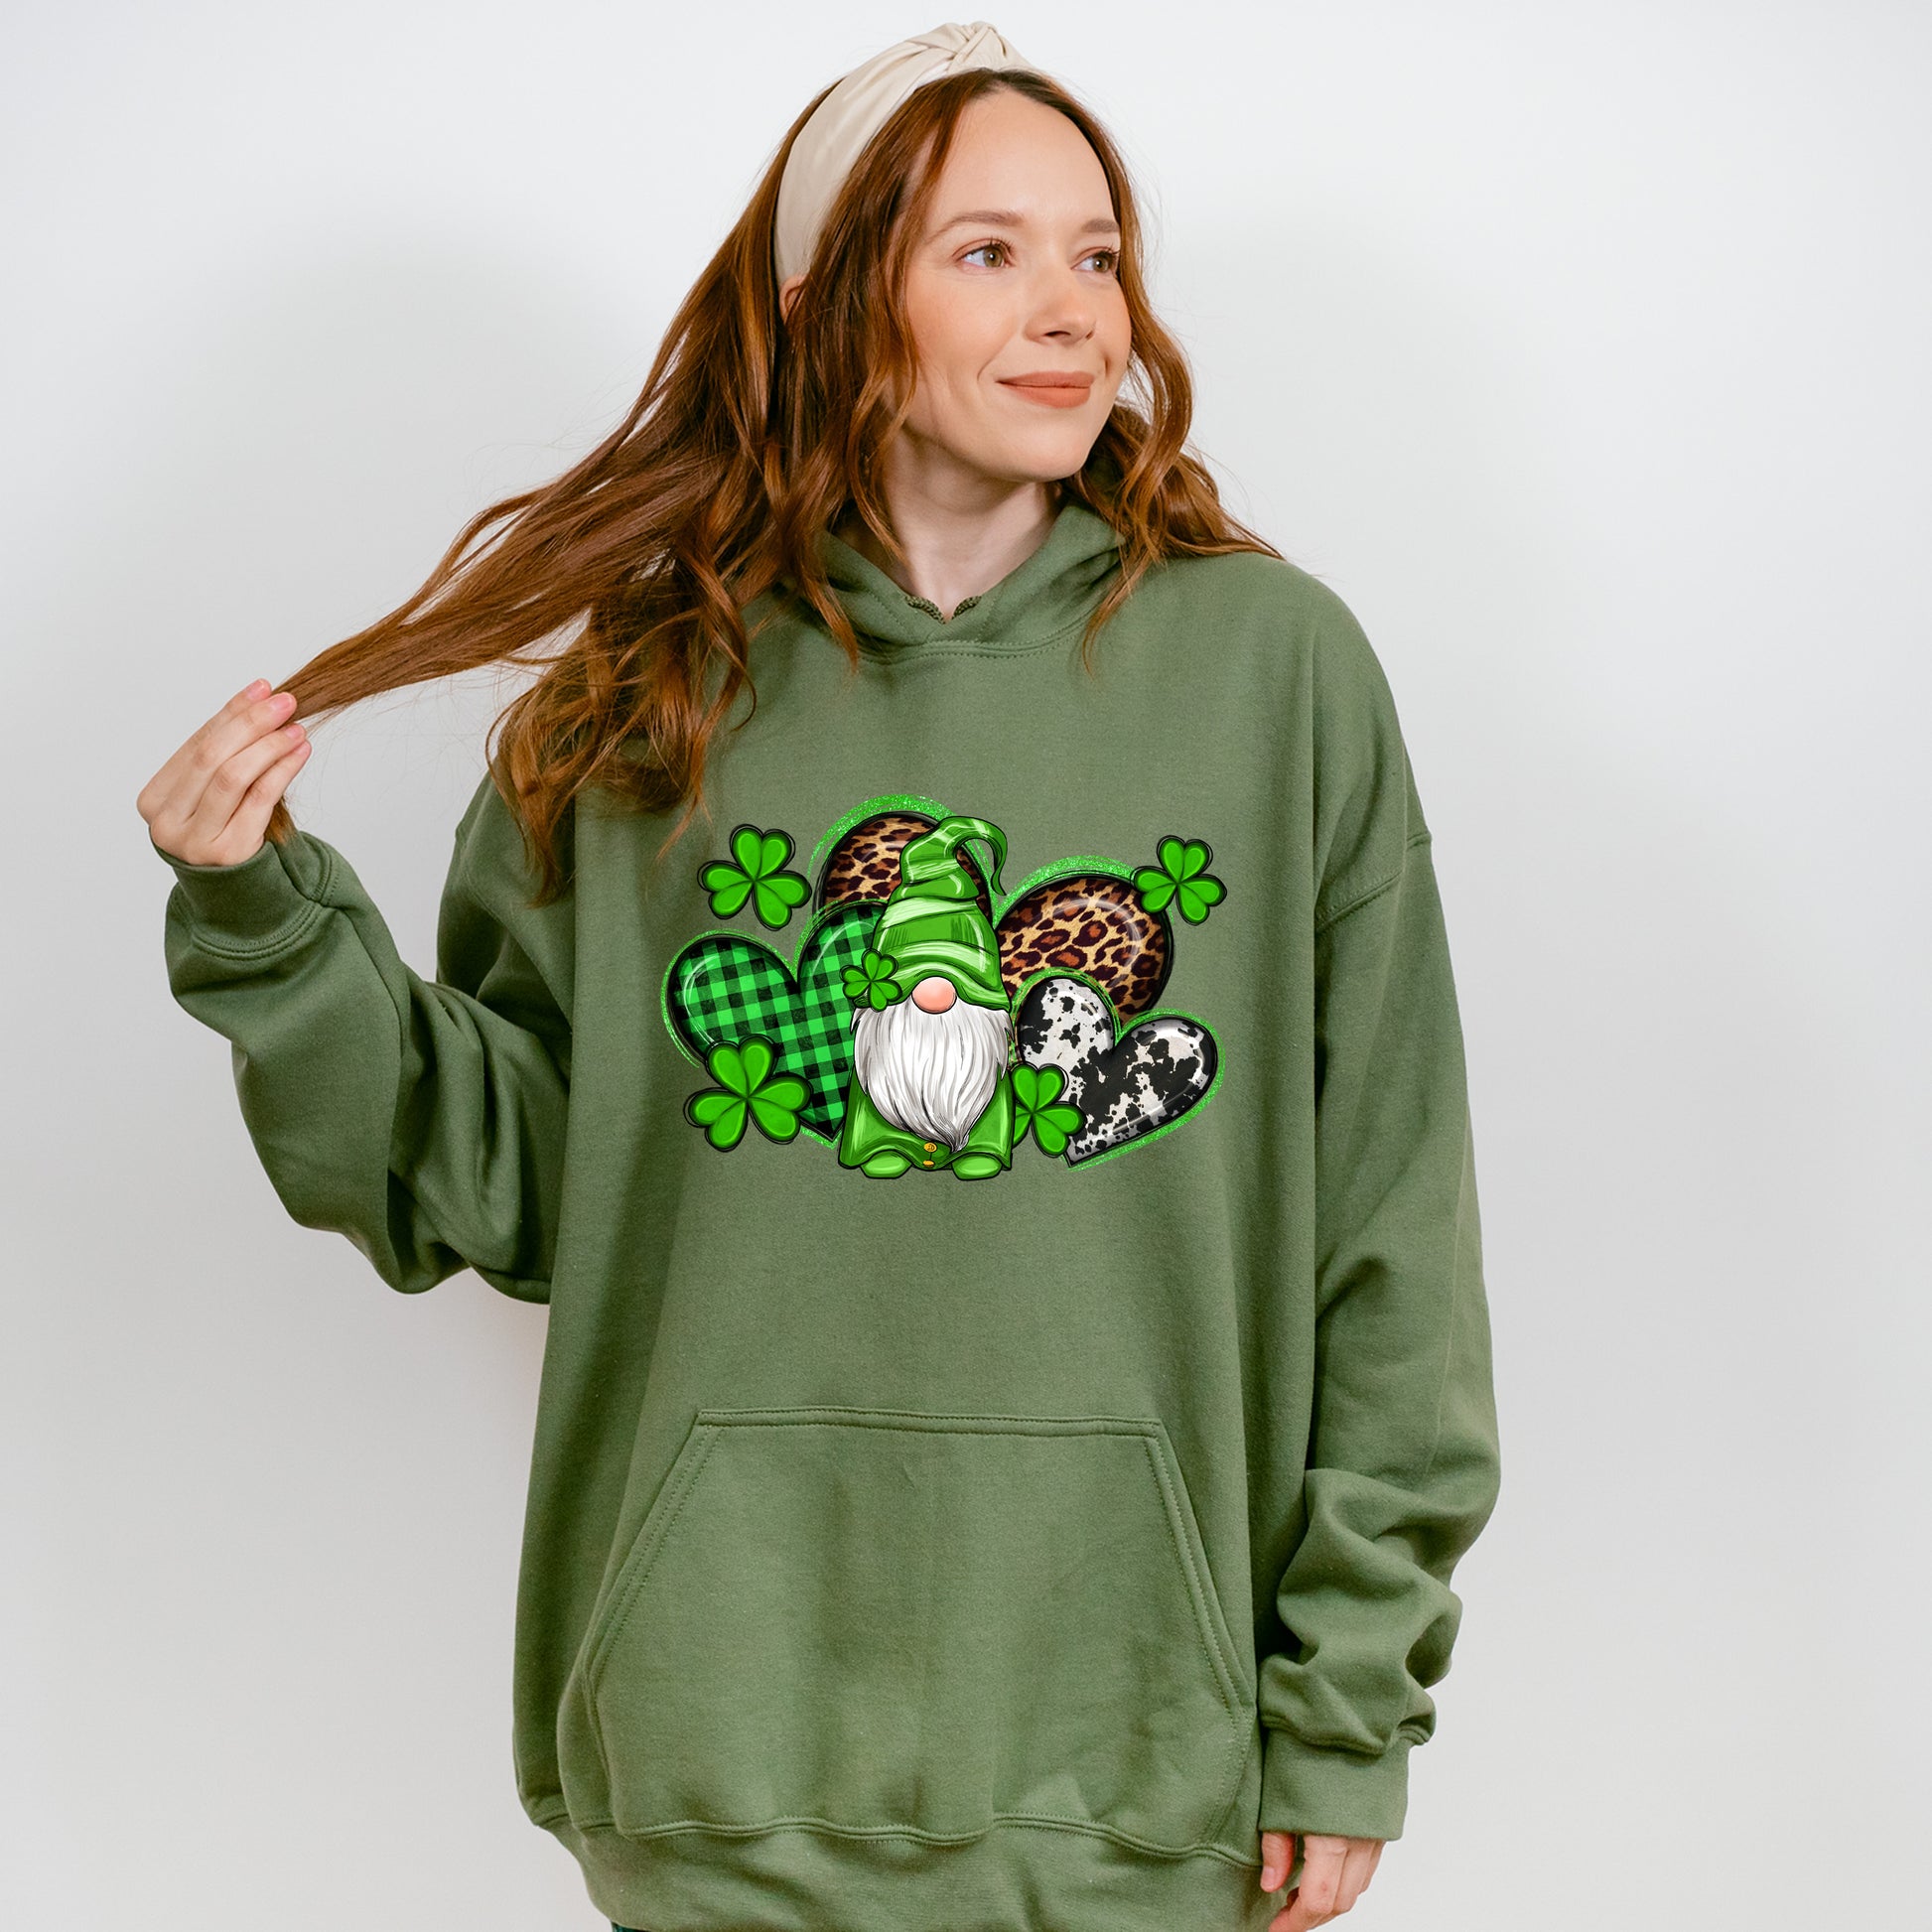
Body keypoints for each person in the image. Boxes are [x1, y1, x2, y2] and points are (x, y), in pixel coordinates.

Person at [137, 21, 1501, 1932]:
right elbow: (489, 1187)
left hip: (1137, 1752)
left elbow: (1393, 1230)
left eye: (1097, 253)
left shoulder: (1276, 674)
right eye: (986, 251)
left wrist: (1343, 1707)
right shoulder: (647, 693)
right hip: (720, 1742)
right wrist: (266, 921)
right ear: (827, 300)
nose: (1071, 311)